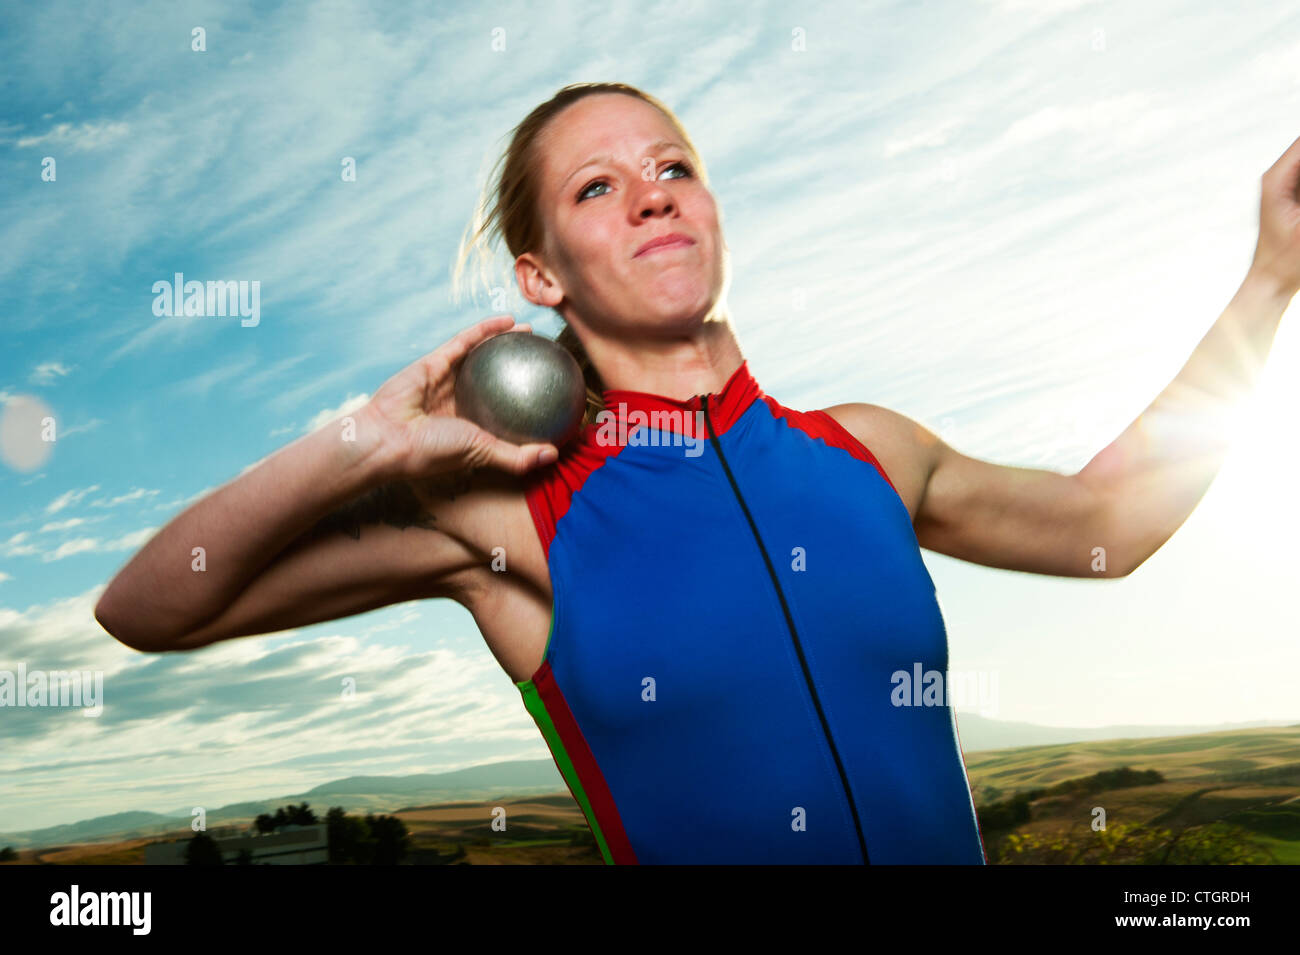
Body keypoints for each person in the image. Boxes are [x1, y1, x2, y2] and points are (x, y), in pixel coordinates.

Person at [95, 83, 1300, 865]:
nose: (650, 197)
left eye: (670, 166)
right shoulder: (511, 516)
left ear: (713, 211)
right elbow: (148, 606)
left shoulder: (868, 451)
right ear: (541, 276)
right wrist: (359, 444)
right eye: (596, 187)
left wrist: (1272, 275)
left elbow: (1110, 521)